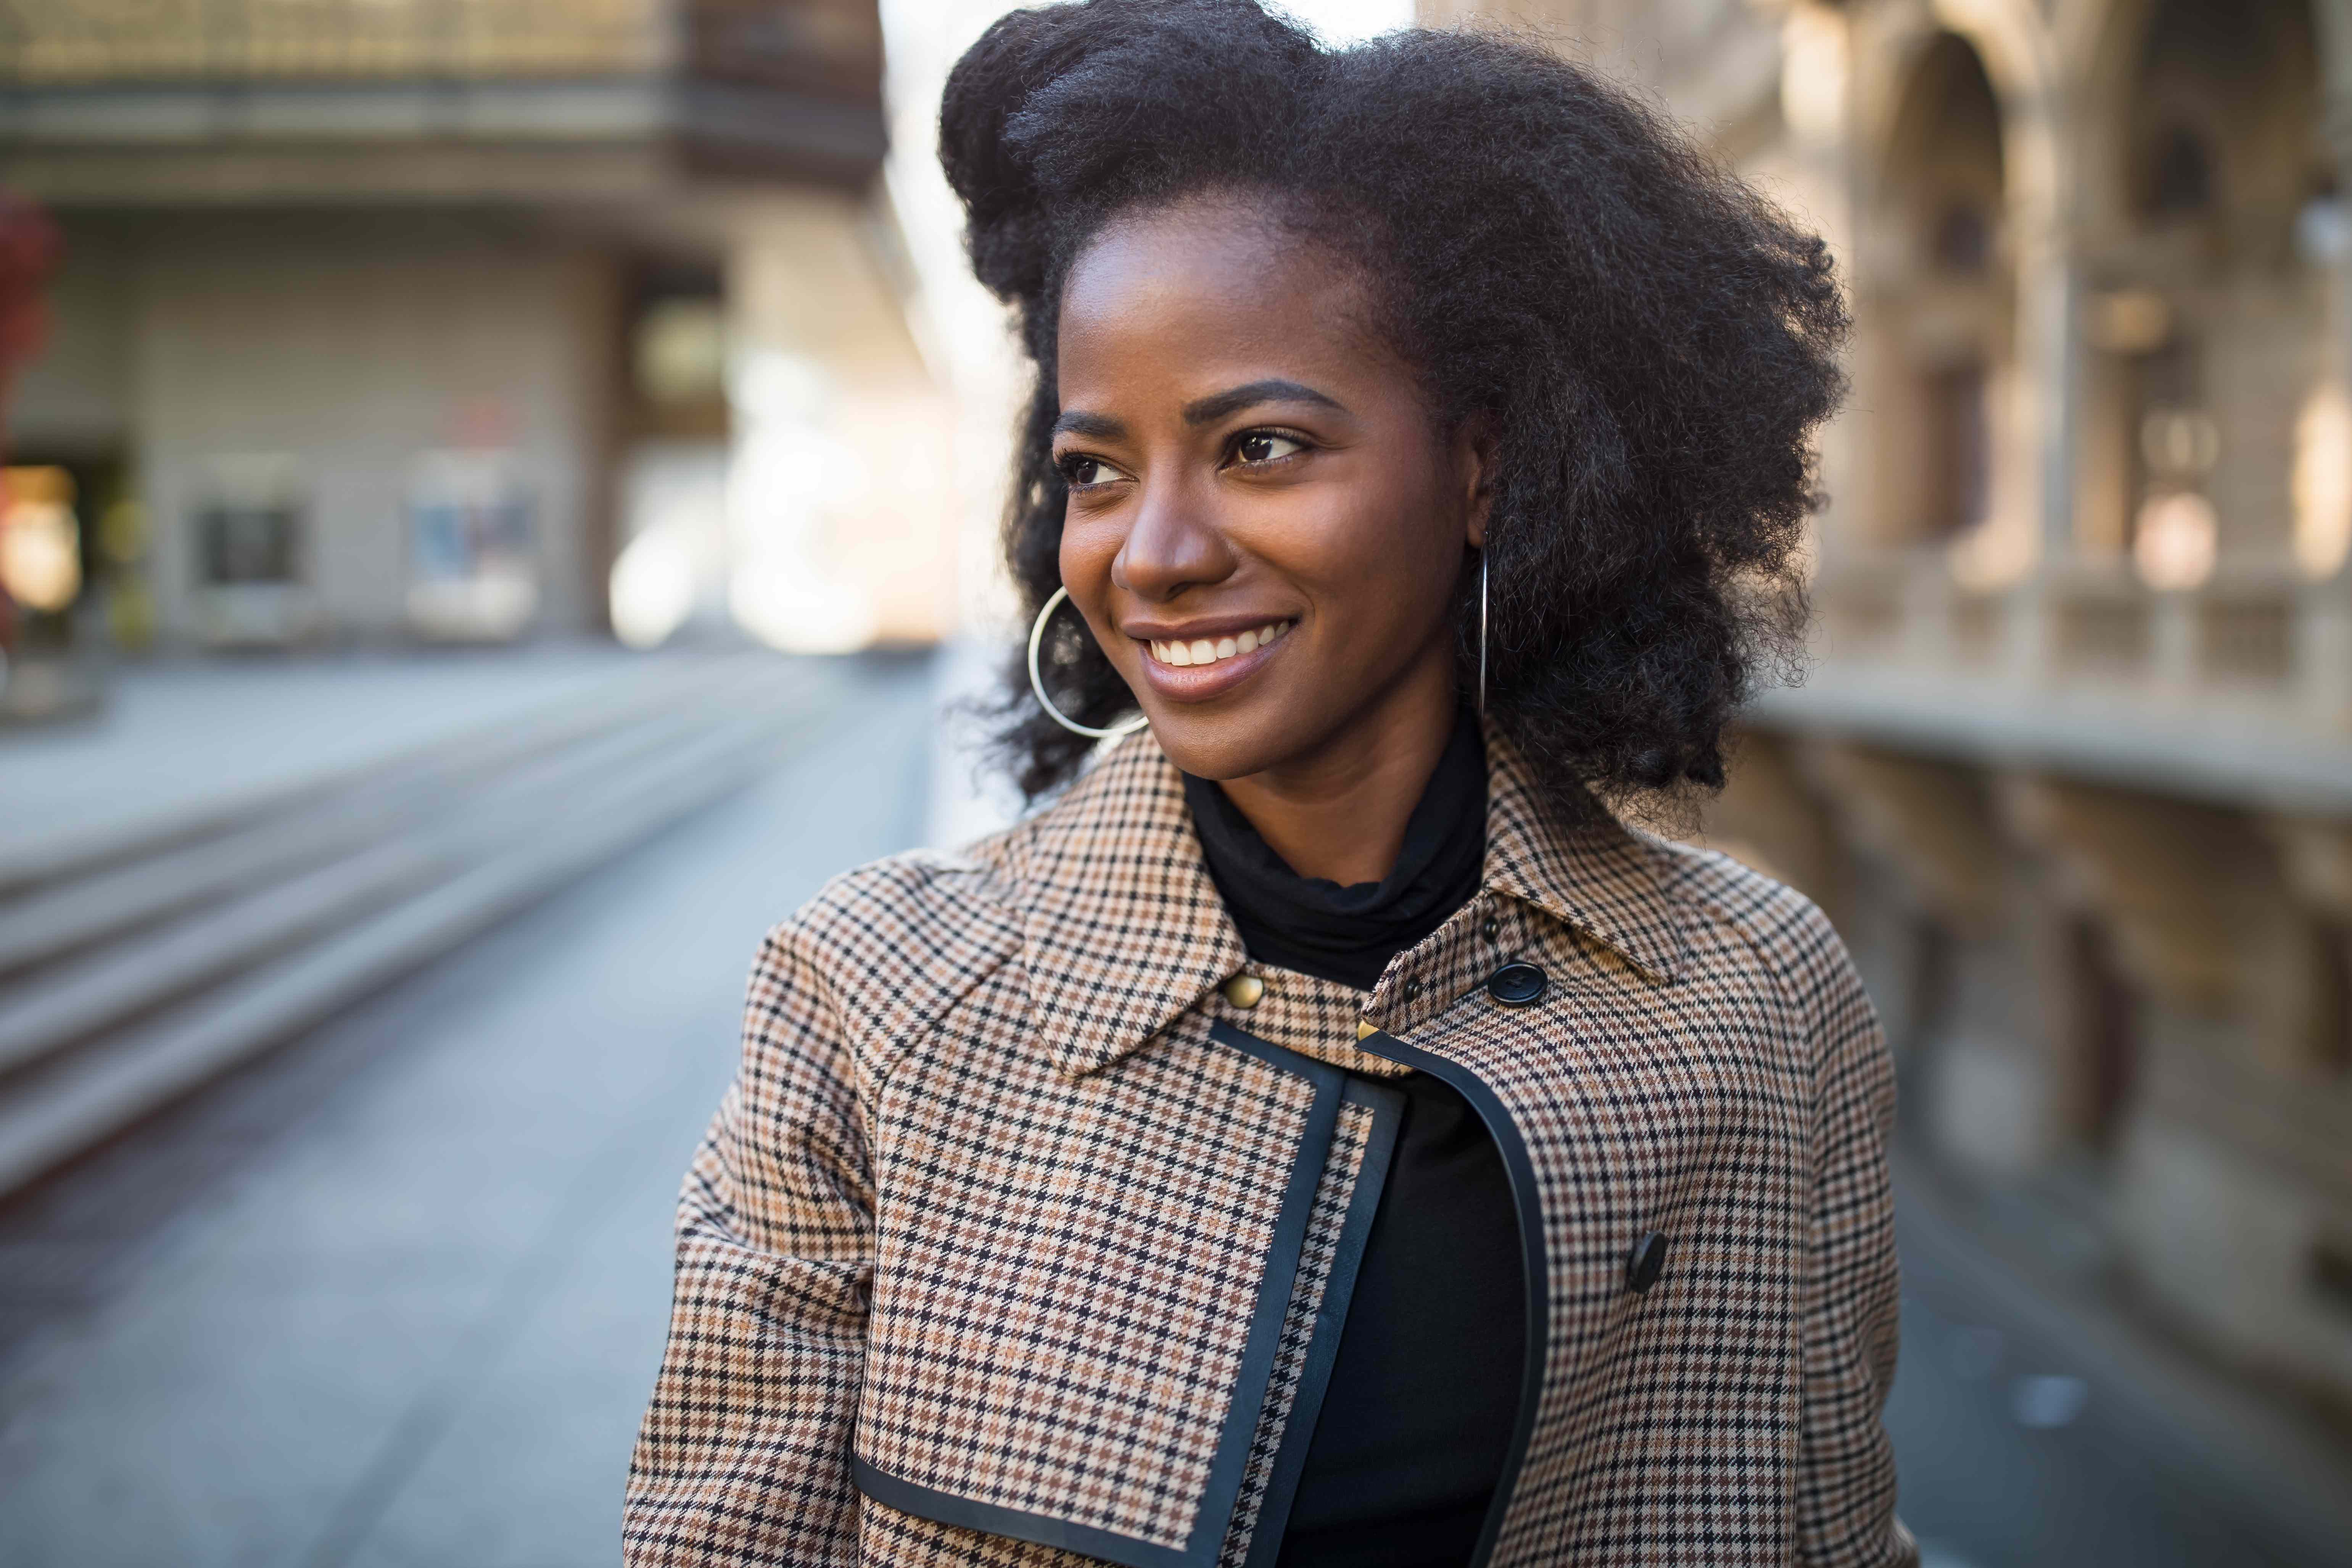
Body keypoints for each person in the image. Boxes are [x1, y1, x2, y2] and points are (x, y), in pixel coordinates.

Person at [624, 3, 1912, 1564]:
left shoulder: (1763, 1005)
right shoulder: (871, 996)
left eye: (1262, 446)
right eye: (1096, 468)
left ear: (1487, 464)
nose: (1151, 552)